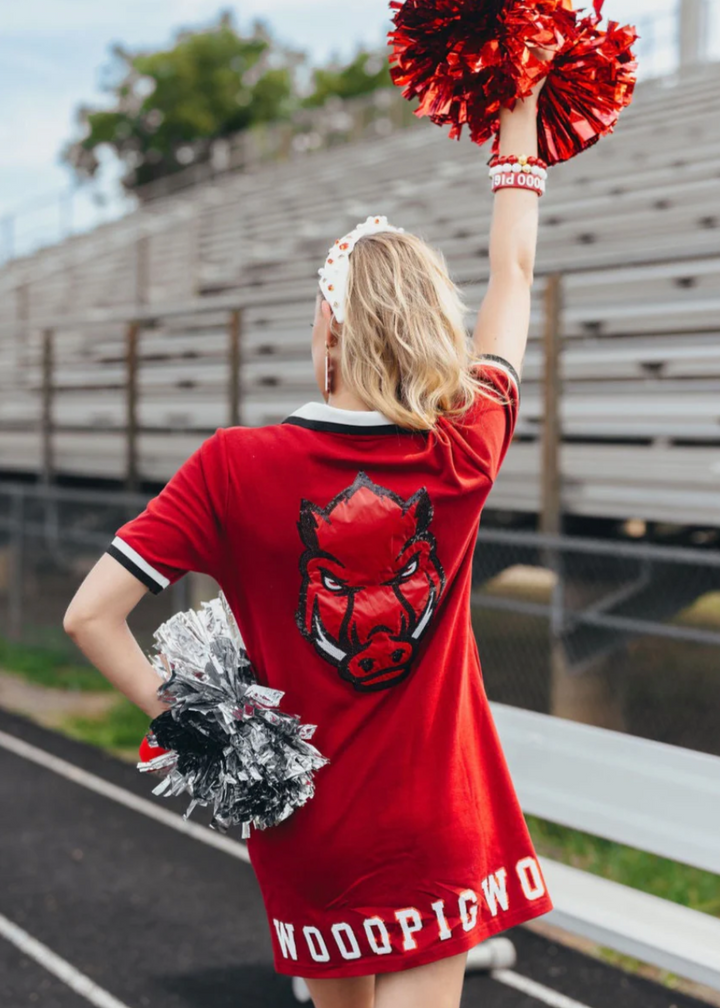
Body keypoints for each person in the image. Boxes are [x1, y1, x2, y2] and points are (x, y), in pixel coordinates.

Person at [64, 60, 552, 1008]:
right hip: (433, 824)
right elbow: (516, 272)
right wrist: (519, 124)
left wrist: (208, 733)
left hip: (308, 823)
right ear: (427, 333)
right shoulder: (461, 451)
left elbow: (91, 616)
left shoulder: (234, 465)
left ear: (329, 329)